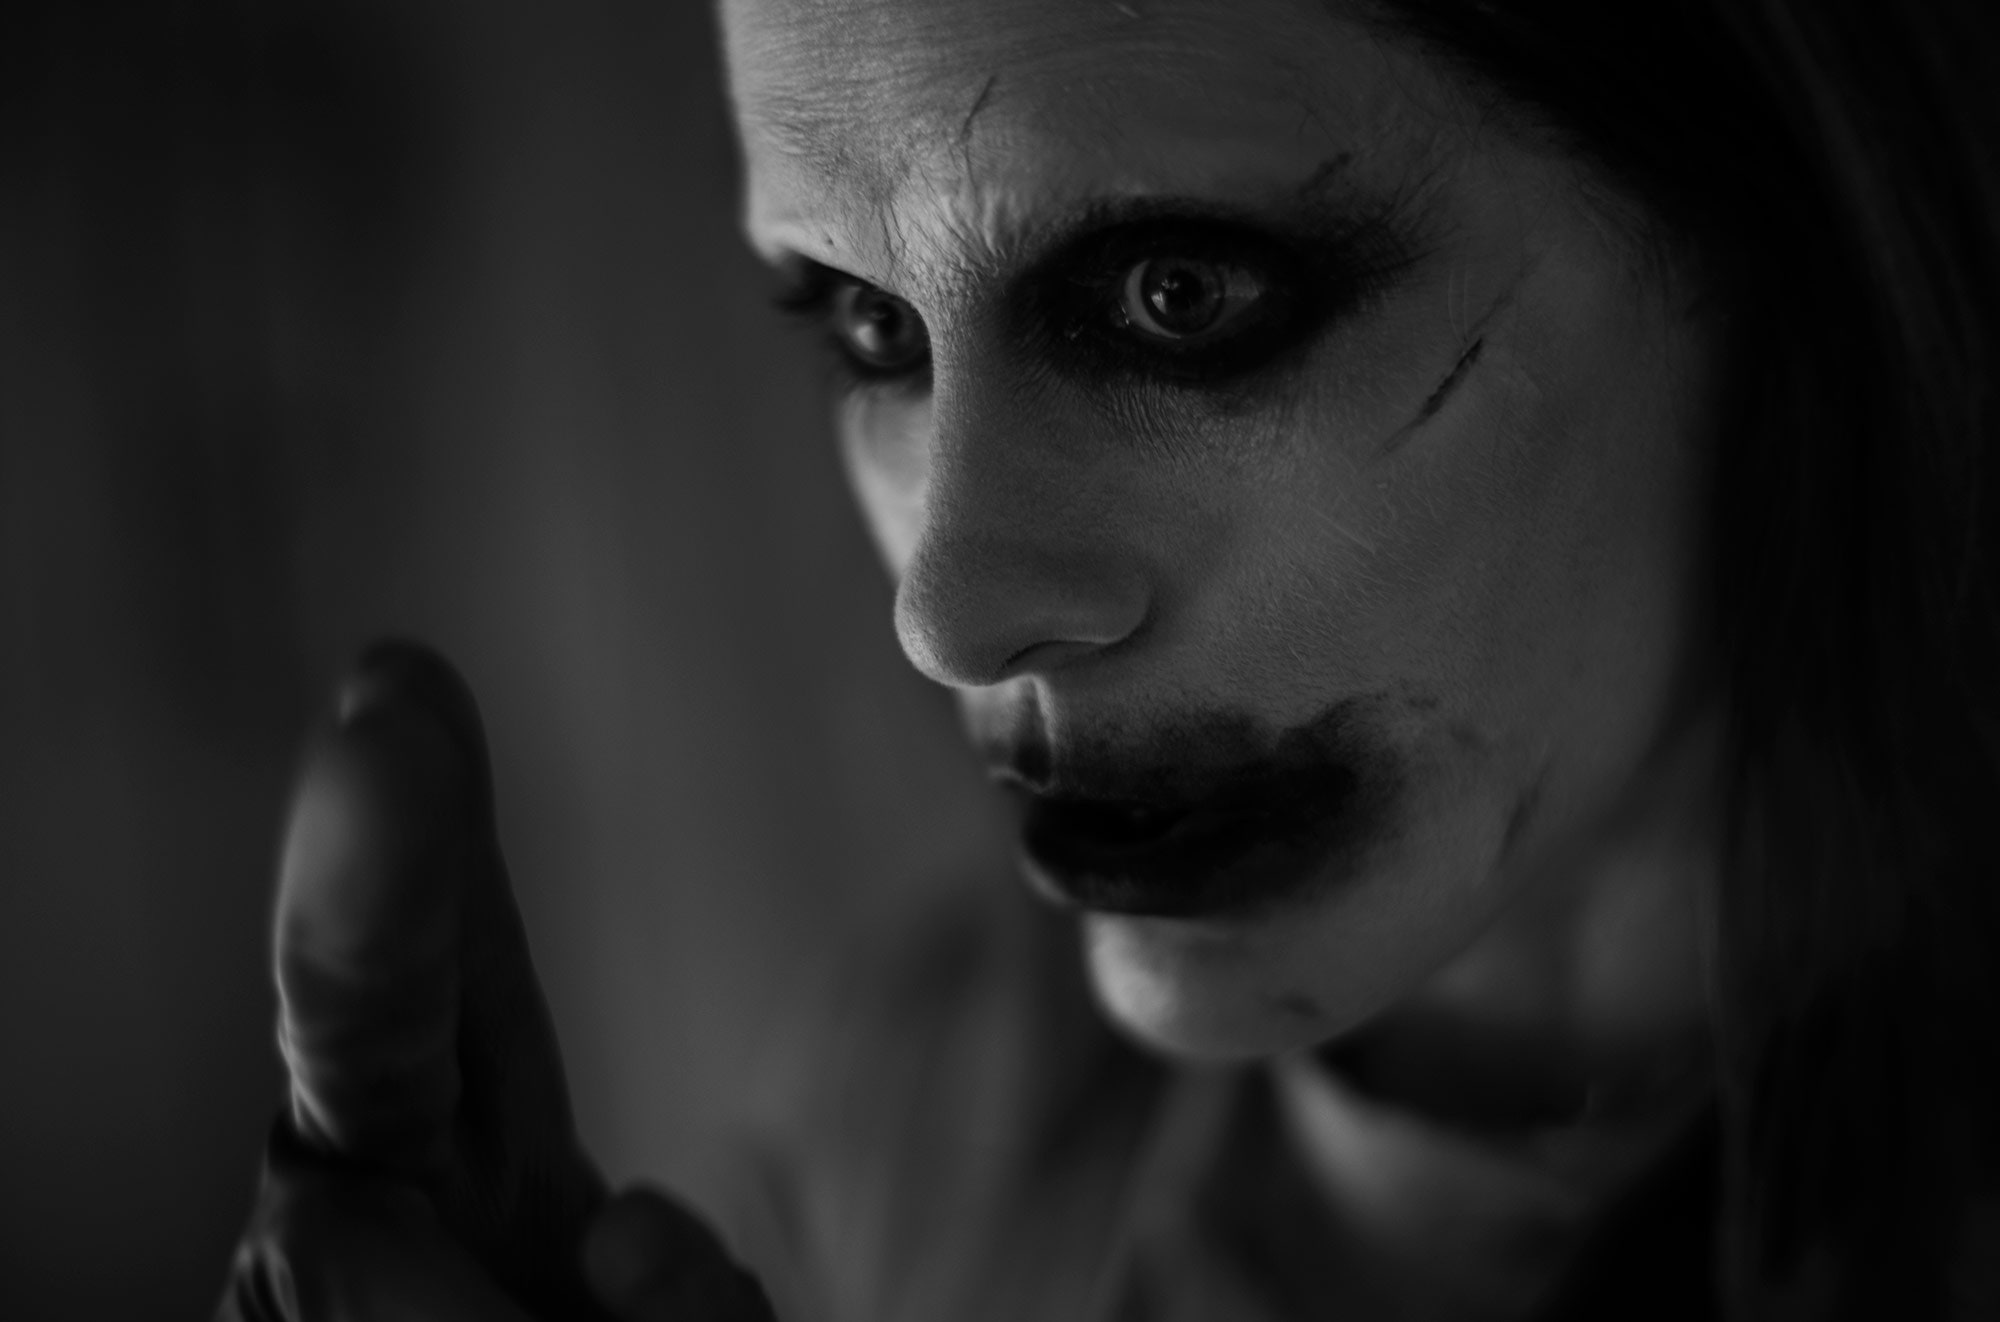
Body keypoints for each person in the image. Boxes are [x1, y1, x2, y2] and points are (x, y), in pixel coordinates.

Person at [216, 0, 2000, 1318]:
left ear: (1785, 225)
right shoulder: (920, 1124)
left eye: (1179, 294)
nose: (946, 614)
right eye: (873, 327)